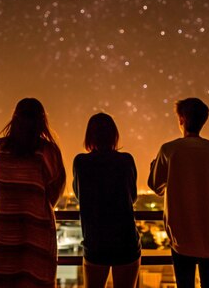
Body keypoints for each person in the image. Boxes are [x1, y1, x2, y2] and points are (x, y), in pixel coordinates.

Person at [0, 98, 66, 288]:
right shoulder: (48, 151)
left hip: (0, 233)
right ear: (42, 121)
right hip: (36, 235)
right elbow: (54, 193)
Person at [148, 98, 209, 288]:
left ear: (182, 119)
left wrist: (154, 167)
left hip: (182, 236)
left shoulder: (169, 150)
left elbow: (156, 185)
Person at [73, 113, 141, 288]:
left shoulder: (81, 162)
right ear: (114, 135)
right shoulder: (126, 160)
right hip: (126, 242)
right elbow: (132, 196)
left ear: (90, 136)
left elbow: (80, 196)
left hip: (96, 242)